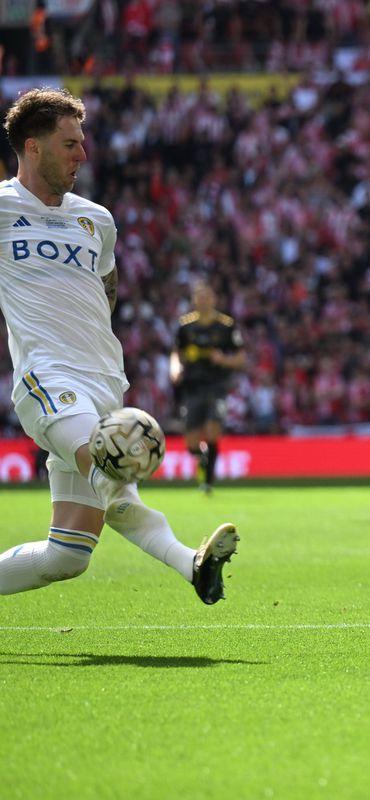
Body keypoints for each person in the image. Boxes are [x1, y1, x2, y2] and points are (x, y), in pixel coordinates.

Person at [0, 87, 237, 603]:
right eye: (69, 144)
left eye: (82, 143)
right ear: (32, 147)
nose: (82, 154)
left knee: (67, 555)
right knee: (113, 479)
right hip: (48, 377)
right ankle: (191, 564)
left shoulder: (96, 219)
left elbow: (104, 292)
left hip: (105, 380)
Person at [170, 279, 246, 495]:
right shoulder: (185, 326)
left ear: (214, 299)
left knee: (213, 430)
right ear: (194, 300)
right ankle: (201, 458)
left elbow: (241, 358)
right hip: (193, 385)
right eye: (199, 297)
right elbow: (177, 352)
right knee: (191, 441)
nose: (203, 300)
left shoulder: (226, 326)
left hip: (217, 384)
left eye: (207, 296)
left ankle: (208, 482)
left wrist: (224, 360)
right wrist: (174, 368)